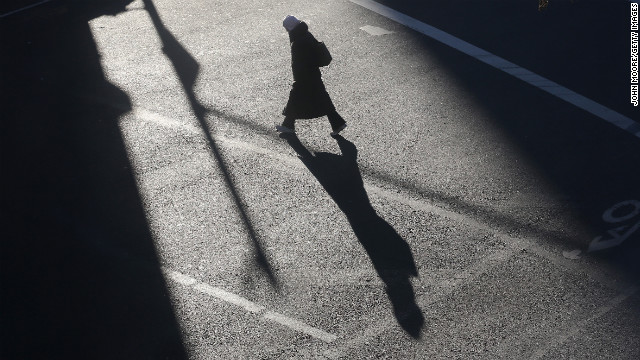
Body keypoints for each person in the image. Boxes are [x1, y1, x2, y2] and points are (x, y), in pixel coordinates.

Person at [277, 15, 347, 136]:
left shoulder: (298, 42)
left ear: (290, 28)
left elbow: (299, 63)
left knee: (295, 98)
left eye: (286, 29)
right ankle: (337, 123)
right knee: (322, 99)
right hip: (313, 74)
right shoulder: (305, 34)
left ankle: (288, 125)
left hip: (304, 76)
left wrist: (297, 78)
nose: (286, 31)